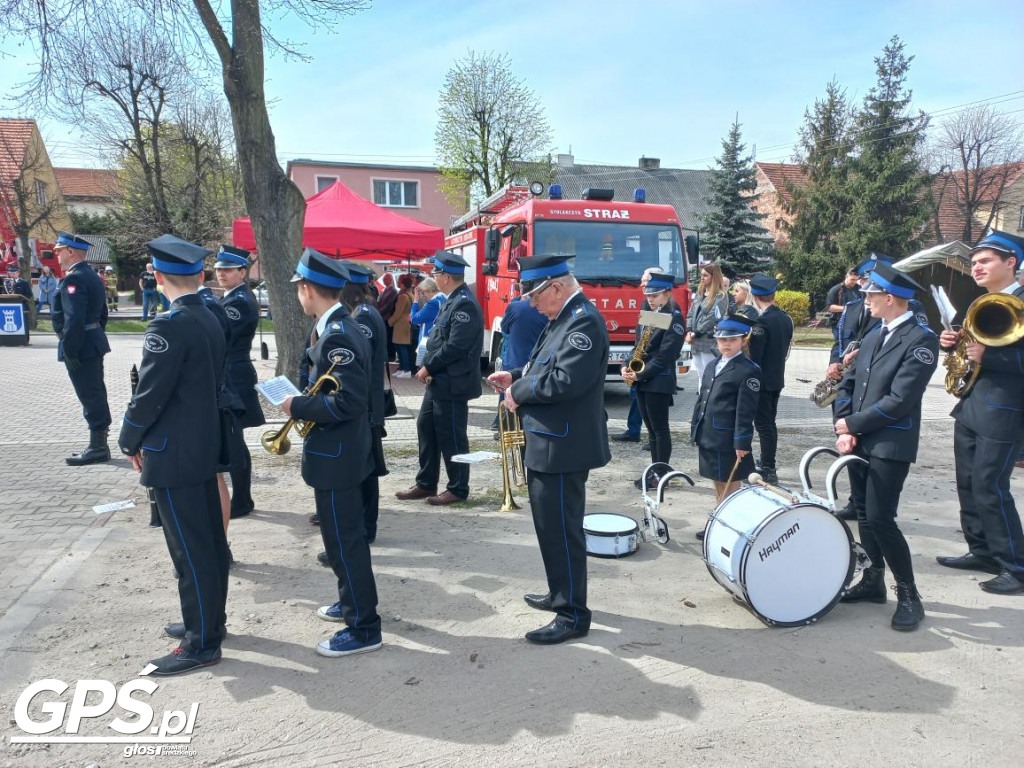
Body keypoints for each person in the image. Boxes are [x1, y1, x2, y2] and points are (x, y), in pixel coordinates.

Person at [117, 234, 230, 674]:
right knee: (207, 545)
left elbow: (149, 395)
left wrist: (128, 438)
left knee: (189, 550)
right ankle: (204, 622)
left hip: (174, 452)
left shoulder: (168, 325)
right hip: (202, 445)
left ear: (158, 276)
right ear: (200, 276)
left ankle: (202, 642)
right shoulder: (209, 315)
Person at [487, 254, 611, 644]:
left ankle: (573, 614)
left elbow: (564, 382)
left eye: (535, 296)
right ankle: (561, 593)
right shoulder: (563, 317)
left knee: (562, 530)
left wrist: (516, 392)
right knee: (549, 527)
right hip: (551, 441)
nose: (531, 304)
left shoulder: (583, 322)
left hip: (564, 446)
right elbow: (544, 365)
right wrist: (518, 374)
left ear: (556, 287)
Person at [281, 248, 381, 658]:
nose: (298, 296)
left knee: (344, 541)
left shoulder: (338, 332)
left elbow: (348, 402)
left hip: (338, 455)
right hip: (342, 452)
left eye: (299, 290)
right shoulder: (336, 325)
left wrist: (295, 406)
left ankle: (363, 628)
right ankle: (350, 601)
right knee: (343, 538)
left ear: (307, 289)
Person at [834, 262, 937, 630]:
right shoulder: (876, 333)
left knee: (880, 518)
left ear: (889, 298)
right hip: (860, 439)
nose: (866, 300)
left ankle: (909, 594)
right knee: (863, 512)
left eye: (870, 295)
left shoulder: (920, 340)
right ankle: (874, 579)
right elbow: (850, 382)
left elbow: (900, 400)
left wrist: (853, 424)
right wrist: (844, 424)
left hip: (890, 443)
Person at [936, 230, 1024, 595]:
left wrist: (991, 356)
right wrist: (954, 344)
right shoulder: (982, 303)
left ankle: (1016, 567)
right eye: (973, 262)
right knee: (968, 484)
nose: (976, 268)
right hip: (971, 406)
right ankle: (981, 550)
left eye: (985, 261)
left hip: (1004, 410)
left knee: (990, 486)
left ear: (1011, 262)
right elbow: (972, 353)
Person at [396, 251, 484, 506]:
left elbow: (456, 346)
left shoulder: (464, 303)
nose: (433, 277)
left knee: (452, 435)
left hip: (452, 382)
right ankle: (426, 483)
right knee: (426, 428)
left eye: (435, 273)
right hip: (440, 380)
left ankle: (458, 488)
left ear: (445, 276)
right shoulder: (451, 300)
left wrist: (428, 366)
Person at [52, 232, 112, 466]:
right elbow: (103, 313)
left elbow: (73, 319)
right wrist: (96, 334)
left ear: (70, 251)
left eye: (59, 250)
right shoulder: (91, 275)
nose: (56, 255)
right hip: (91, 341)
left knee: (90, 394)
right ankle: (98, 444)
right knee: (95, 392)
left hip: (81, 345)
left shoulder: (74, 278)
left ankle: (98, 447)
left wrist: (70, 349)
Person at [690, 313, 760, 510]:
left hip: (727, 437)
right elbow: (703, 397)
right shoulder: (713, 364)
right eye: (722, 339)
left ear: (743, 340)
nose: (726, 344)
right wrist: (696, 425)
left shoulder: (748, 370)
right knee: (717, 480)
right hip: (709, 434)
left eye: (732, 340)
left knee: (730, 483)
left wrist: (742, 441)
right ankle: (720, 519)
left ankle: (725, 520)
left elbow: (745, 410)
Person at [216, 245, 265, 519]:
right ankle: (242, 498)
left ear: (242, 272)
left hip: (235, 375)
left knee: (235, 440)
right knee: (235, 439)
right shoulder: (231, 298)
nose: (221, 274)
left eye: (227, 269)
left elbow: (222, 335)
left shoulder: (239, 301)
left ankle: (242, 500)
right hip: (232, 374)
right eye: (219, 269)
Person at [621, 272, 685, 483]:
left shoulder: (674, 317)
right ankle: (655, 471)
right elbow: (638, 346)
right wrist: (625, 366)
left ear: (667, 293)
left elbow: (666, 356)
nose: (650, 298)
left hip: (659, 380)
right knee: (651, 430)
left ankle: (661, 473)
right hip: (643, 380)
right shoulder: (649, 311)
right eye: (648, 294)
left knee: (660, 430)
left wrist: (640, 374)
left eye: (655, 295)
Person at [746, 274, 794, 485]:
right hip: (776, 379)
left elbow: (755, 357)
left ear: (755, 296)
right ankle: (768, 463)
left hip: (762, 382)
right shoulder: (785, 318)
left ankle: (768, 467)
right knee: (769, 424)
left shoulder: (761, 322)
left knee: (763, 425)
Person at [612, 266, 667, 443]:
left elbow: (652, 343)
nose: (641, 284)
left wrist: (641, 371)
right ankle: (635, 431)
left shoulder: (666, 311)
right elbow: (640, 340)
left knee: (657, 422)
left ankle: (647, 436)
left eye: (645, 280)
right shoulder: (647, 304)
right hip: (643, 366)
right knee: (636, 398)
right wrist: (628, 363)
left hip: (654, 370)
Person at [685, 263, 729, 392]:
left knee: (708, 375)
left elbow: (712, 318)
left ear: (714, 277)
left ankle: (708, 404)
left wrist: (696, 333)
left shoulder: (720, 296)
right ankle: (702, 402)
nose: (702, 278)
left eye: (705, 275)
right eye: (701, 275)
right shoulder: (700, 294)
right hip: (695, 339)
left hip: (707, 340)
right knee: (700, 374)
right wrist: (689, 331)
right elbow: (690, 313)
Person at [411, 277, 443, 367]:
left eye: (423, 292)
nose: (422, 296)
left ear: (429, 290)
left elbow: (414, 318)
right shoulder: (442, 298)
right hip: (437, 340)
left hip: (428, 341)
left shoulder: (433, 302)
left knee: (426, 373)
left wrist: (415, 301)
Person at [389, 274, 415, 377]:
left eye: (400, 282)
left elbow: (398, 312)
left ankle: (406, 370)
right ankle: (403, 369)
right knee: (401, 347)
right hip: (406, 323)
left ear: (403, 284)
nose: (399, 283)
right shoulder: (410, 294)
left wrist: (389, 322)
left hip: (401, 324)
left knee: (401, 347)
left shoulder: (403, 296)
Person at [825, 268, 860, 344]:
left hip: (854, 324)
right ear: (847, 276)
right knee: (840, 346)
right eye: (852, 279)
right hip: (839, 324)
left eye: (856, 280)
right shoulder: (836, 289)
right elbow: (829, 307)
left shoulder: (859, 289)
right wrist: (846, 308)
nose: (854, 282)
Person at [377, 272, 398, 362]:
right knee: (386, 337)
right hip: (383, 317)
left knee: (389, 337)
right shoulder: (384, 290)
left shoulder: (393, 290)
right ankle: (388, 355)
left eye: (386, 279)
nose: (384, 280)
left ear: (390, 279)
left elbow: (388, 305)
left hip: (387, 317)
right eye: (383, 279)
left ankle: (391, 355)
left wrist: (379, 312)